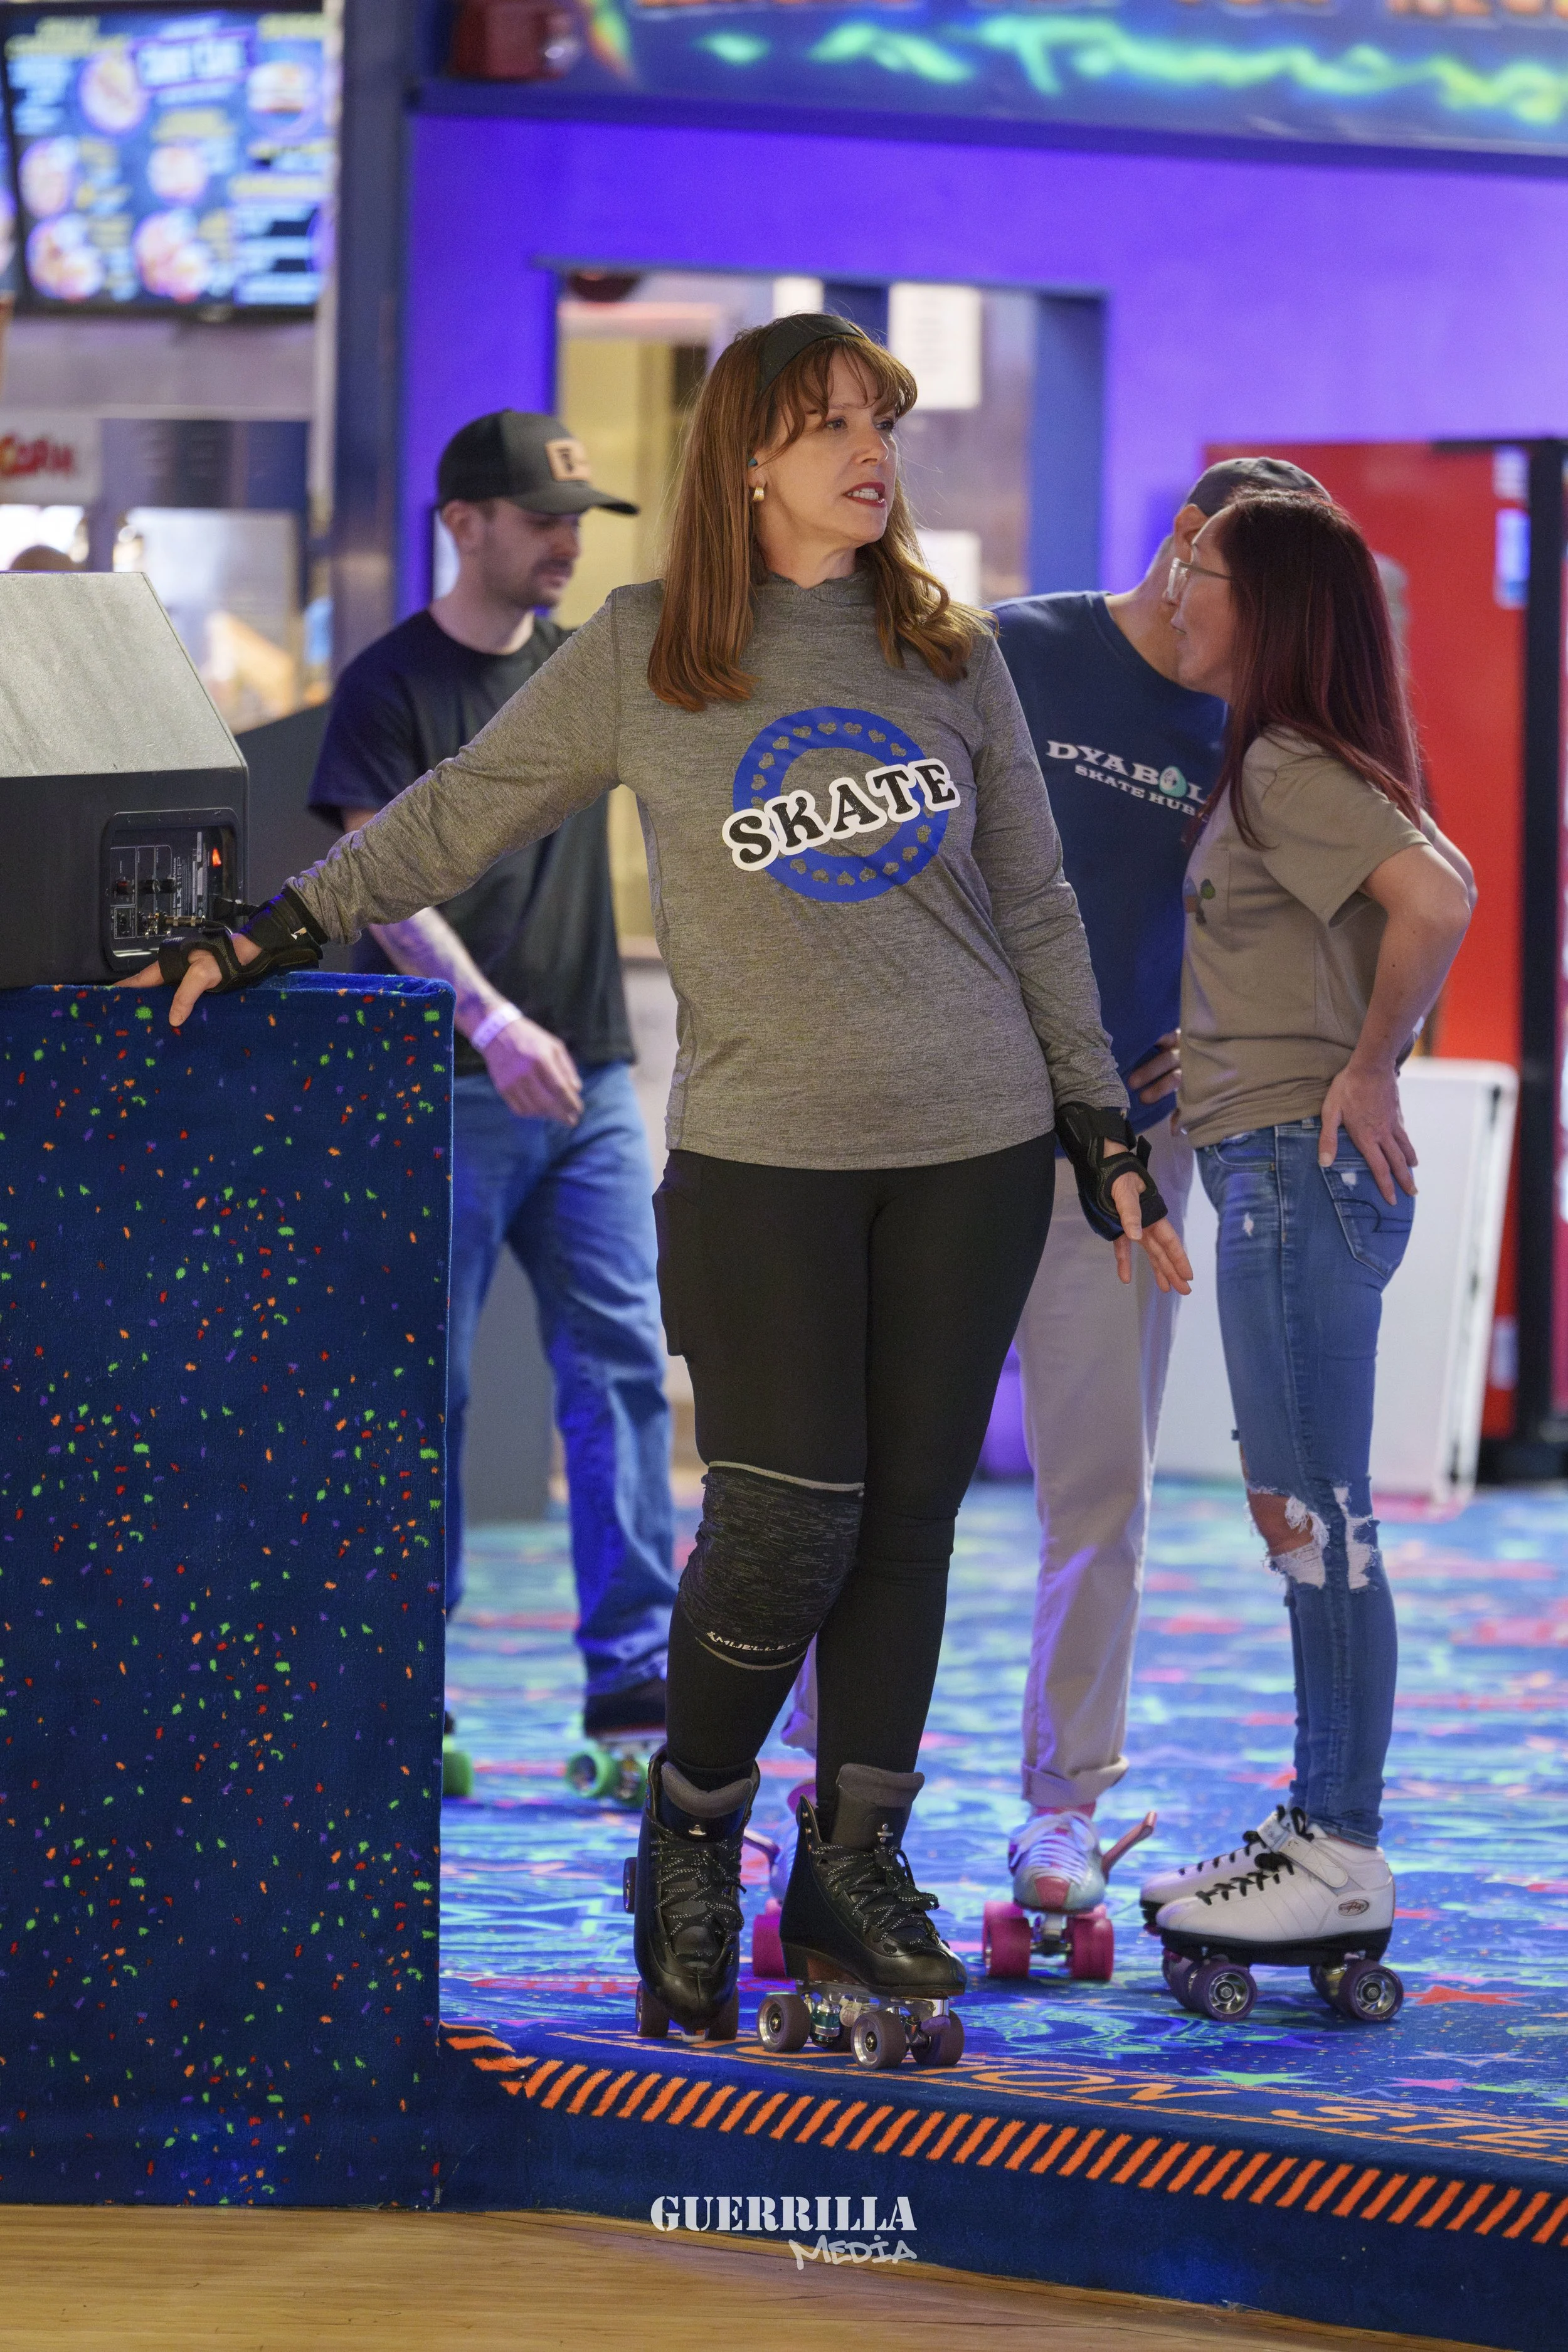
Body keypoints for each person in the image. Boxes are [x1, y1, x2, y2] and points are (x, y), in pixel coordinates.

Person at [130, 314, 1190, 2047]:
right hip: (765, 1153)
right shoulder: (648, 652)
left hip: (974, 1140)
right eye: (832, 422)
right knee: (782, 1519)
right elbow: (456, 809)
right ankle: (692, 1834)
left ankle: (854, 1858)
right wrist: (278, 921)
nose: (871, 450)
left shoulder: (949, 650)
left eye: (883, 422)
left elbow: (1038, 901)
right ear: (748, 459)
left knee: (909, 1522)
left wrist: (1102, 1129)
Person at [987, 457, 1327, 1926]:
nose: (1249, 654)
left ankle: (1061, 1809)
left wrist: (1230, 1024)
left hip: (1125, 1152)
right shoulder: (1010, 649)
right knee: (873, 1481)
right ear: (1187, 546)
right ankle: (814, 1783)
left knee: (1099, 1490)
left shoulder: (1247, 725)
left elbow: (1337, 911)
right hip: (938, 1124)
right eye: (1244, 604)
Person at [306, 408, 679, 1745]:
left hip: (586, 1081)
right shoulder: (388, 687)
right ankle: (416, 1691)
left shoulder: (587, 671)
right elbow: (379, 880)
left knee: (622, 1370)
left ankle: (633, 1678)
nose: (568, 544)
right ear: (462, 525)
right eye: (542, 521)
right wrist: (488, 1025)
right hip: (442, 1085)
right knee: (426, 1385)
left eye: (581, 522)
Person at [1138, 490, 1474, 1946]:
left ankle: (1339, 1845)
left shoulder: (1279, 761)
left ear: (1264, 606)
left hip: (1295, 1166)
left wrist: (1364, 1067)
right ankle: (1323, 1822)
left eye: (1197, 568)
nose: (1174, 587)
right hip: (1271, 1153)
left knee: (1319, 1522)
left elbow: (1437, 898)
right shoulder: (1287, 760)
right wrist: (1206, 1046)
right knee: (1298, 1514)